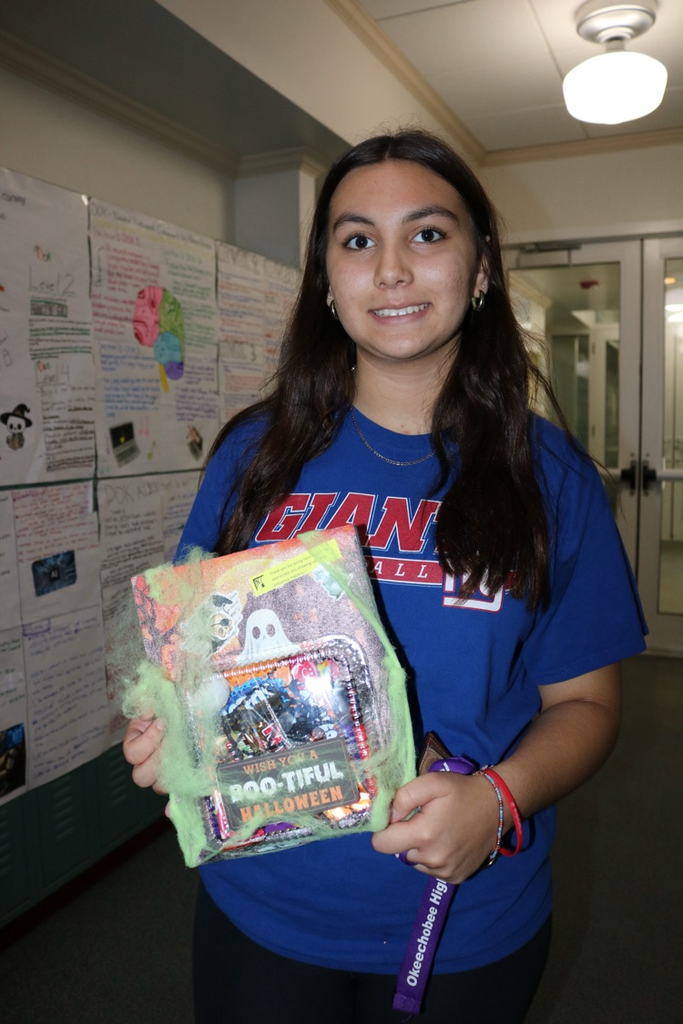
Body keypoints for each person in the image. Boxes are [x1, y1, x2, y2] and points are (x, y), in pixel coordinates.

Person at [123, 129, 646, 1023]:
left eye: (429, 234)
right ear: (326, 280)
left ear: (480, 270)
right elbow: (188, 654)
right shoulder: (255, 455)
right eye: (357, 240)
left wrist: (497, 799)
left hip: (464, 922)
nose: (392, 269)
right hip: (265, 911)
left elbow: (586, 707)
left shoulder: (550, 479)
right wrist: (163, 726)